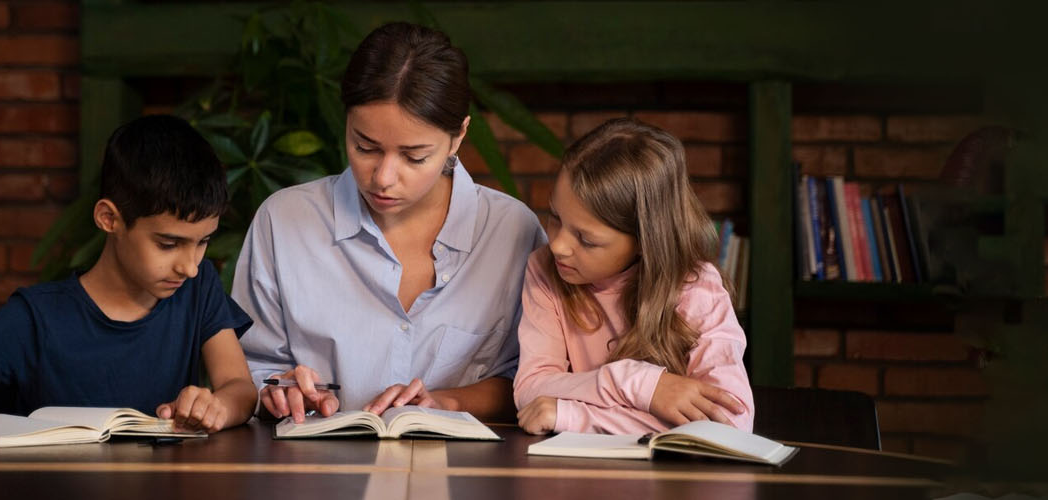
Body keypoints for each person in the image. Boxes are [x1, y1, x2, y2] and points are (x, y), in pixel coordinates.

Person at [235, 22, 546, 423]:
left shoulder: (511, 232)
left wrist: (447, 401)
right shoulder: (284, 221)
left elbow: (534, 379)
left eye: (414, 157)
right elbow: (248, 369)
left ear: (458, 137)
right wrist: (278, 391)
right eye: (364, 146)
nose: (382, 177)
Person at [0, 115, 256, 449]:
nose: (190, 266)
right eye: (168, 244)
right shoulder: (37, 315)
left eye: (203, 241)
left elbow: (239, 387)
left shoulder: (198, 288)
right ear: (109, 219)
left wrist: (216, 407)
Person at [512, 118, 755, 435]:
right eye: (555, 217)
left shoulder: (697, 289)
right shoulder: (544, 269)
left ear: (644, 242)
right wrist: (640, 385)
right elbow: (530, 389)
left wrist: (573, 416)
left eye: (586, 239)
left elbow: (730, 425)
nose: (557, 245)